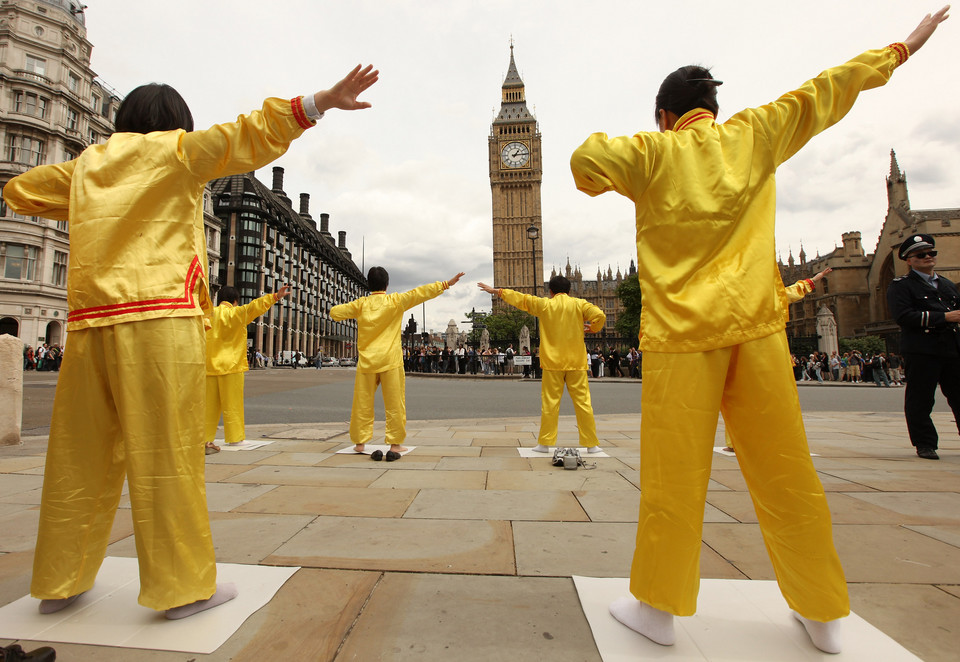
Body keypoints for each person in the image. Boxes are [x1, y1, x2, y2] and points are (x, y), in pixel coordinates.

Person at [569, 8, 948, 654]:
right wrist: (901, 50)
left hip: (683, 341)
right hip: (759, 333)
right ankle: (824, 612)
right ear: (714, 108)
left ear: (664, 114)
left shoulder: (653, 151)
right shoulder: (758, 132)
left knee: (673, 478)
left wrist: (642, 155)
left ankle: (657, 609)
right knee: (786, 472)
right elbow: (827, 90)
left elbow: (584, 162)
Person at [3, 63, 379, 619]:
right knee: (166, 458)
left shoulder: (86, 167)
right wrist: (318, 102)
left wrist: (94, 195)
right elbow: (247, 136)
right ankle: (180, 588)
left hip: (87, 328)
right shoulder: (177, 153)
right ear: (176, 122)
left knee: (76, 460)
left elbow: (20, 190)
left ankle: (59, 582)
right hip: (159, 321)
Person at [332, 267, 464, 460]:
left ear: (369, 284)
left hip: (367, 361)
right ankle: (395, 444)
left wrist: (353, 309)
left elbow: (335, 312)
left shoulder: (361, 304)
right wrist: (446, 284)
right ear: (387, 284)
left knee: (362, 403)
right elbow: (420, 293)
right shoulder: (395, 301)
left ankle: (360, 443)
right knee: (395, 404)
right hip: (390, 360)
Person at [479, 275, 606, 453]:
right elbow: (599, 315)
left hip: (552, 363)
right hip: (576, 362)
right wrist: (594, 328)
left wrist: (497, 292)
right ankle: (592, 444)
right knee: (583, 403)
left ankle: (545, 443)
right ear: (569, 291)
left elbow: (522, 299)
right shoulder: (579, 304)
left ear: (551, 292)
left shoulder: (545, 305)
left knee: (550, 404)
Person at [887, 232, 960, 460]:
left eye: (931, 253)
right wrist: (943, 318)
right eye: (921, 255)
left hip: (952, 348)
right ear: (909, 260)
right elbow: (904, 316)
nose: (928, 257)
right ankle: (925, 444)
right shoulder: (902, 286)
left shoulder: (948, 285)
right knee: (920, 399)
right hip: (922, 350)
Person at [204, 285, 291, 454]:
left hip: (209, 366)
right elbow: (254, 307)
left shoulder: (208, 315)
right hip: (232, 365)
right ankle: (235, 438)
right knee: (233, 404)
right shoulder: (236, 313)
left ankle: (206, 439)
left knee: (208, 406)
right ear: (235, 301)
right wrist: (274, 297)